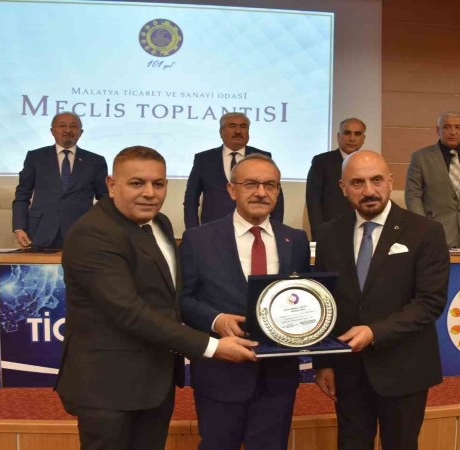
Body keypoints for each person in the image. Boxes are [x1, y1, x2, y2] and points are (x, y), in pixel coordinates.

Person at [55, 146, 258, 450]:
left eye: (158, 184)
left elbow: (168, 298)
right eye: (137, 183)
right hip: (107, 387)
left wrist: (217, 320)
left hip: (155, 382)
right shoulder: (93, 233)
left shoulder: (160, 222)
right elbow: (129, 312)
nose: (150, 193)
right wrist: (213, 346)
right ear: (111, 185)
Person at [313, 150, 449, 450]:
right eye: (357, 183)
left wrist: (374, 332)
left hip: (404, 369)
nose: (369, 190)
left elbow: (430, 302)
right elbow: (325, 302)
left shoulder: (426, 231)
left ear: (390, 181)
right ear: (343, 187)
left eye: (376, 180)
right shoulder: (328, 234)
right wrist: (323, 362)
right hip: (348, 371)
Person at [179, 153, 309, 450]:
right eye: (250, 184)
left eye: (270, 185)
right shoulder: (198, 239)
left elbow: (302, 298)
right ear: (231, 190)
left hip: (277, 378)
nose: (261, 192)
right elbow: (182, 300)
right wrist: (216, 321)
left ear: (278, 191)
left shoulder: (296, 240)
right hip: (220, 373)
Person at [12, 111, 108, 248]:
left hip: (82, 232)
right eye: (62, 126)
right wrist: (19, 227)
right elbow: (22, 194)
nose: (68, 130)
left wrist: (102, 227)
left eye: (73, 126)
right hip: (40, 231)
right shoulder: (35, 157)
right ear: (52, 131)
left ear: (80, 132)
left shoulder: (95, 161)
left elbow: (105, 198)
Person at [404, 111, 460, 249]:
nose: (453, 132)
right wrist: (422, 226)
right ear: (438, 130)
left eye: (458, 127)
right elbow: (412, 195)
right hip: (433, 232)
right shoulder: (421, 157)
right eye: (447, 127)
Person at [183, 112, 284, 229]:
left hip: (254, 228)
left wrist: (276, 230)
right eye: (232, 126)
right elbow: (191, 200)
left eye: (243, 126)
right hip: (213, 230)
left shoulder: (262, 157)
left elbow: (277, 200)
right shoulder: (204, 159)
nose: (238, 131)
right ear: (221, 132)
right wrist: (193, 232)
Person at [306, 118, 367, 240]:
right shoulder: (322, 161)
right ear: (338, 136)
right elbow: (313, 201)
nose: (352, 138)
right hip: (331, 230)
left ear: (363, 138)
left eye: (357, 134)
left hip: (363, 231)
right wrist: (319, 233)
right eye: (347, 133)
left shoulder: (368, 163)